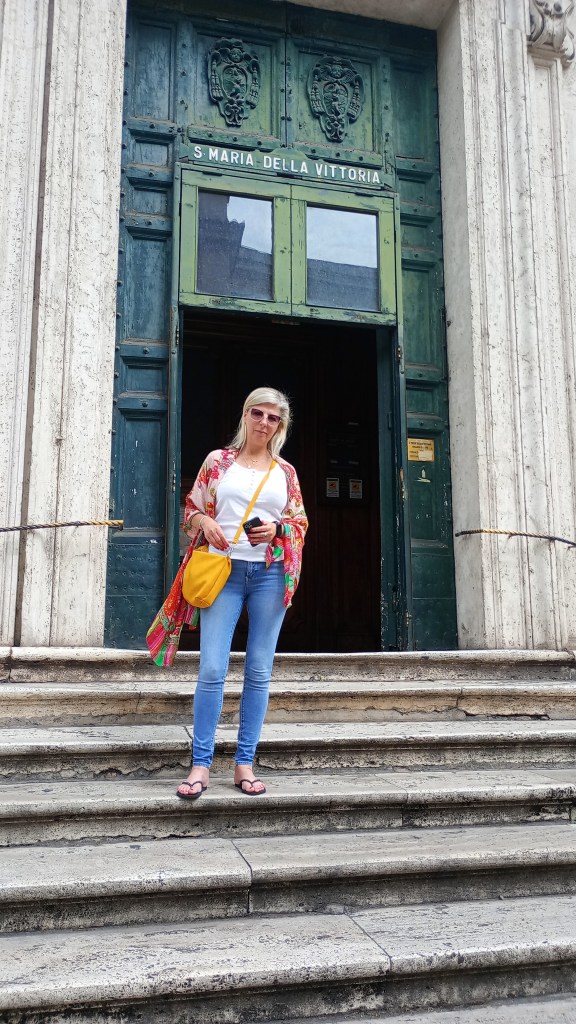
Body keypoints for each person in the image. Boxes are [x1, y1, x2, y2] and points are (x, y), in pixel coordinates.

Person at [146, 386, 308, 798]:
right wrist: (205, 523)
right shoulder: (218, 463)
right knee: (213, 668)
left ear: (280, 426)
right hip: (224, 571)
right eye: (258, 413)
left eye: (273, 418)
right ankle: (201, 765)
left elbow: (300, 522)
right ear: (245, 415)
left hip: (269, 574)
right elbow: (191, 509)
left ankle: (244, 763)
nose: (264, 423)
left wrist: (278, 529)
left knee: (258, 671)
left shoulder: (285, 472)